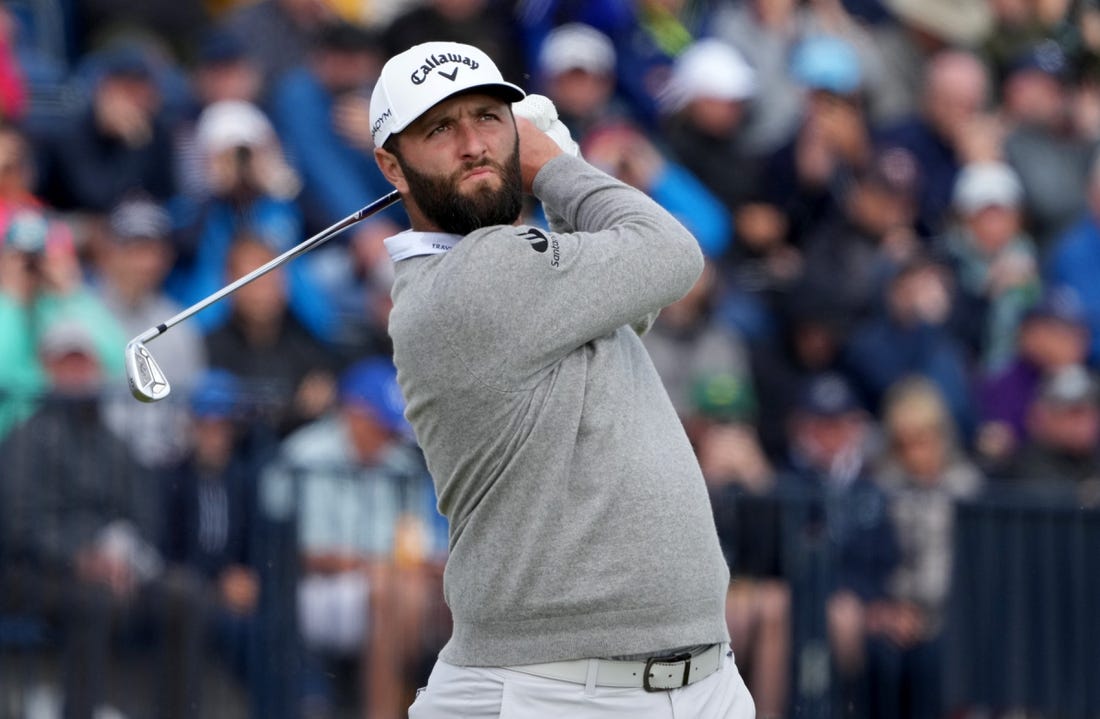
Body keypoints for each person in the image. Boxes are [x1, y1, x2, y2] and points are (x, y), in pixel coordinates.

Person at [368, 40, 752, 717]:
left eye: (489, 118)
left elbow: (632, 308)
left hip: (698, 684)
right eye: (439, 128)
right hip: (554, 691)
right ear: (391, 166)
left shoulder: (518, 277)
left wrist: (561, 191)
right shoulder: (468, 281)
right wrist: (556, 168)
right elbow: (671, 254)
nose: (473, 144)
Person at [0, 318, 208, 719]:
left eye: (84, 363)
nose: (77, 374)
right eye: (67, 364)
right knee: (93, 602)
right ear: (48, 369)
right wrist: (81, 557)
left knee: (185, 593)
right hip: (34, 573)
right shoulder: (23, 439)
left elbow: (144, 510)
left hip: (115, 569)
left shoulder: (113, 441)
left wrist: (128, 558)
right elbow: (17, 523)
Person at [260, 357, 447, 719]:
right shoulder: (306, 454)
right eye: (381, 426)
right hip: (316, 591)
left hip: (391, 587)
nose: (388, 437)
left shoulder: (400, 463)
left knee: (441, 591)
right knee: (389, 586)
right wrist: (378, 565)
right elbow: (307, 552)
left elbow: (419, 546)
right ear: (354, 413)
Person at [870, 376, 984, 719]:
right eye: (903, 443)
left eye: (922, 440)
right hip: (896, 610)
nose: (915, 453)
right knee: (881, 656)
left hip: (956, 614)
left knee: (938, 659)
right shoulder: (881, 489)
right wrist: (888, 610)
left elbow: (979, 568)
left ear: (941, 436)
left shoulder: (969, 489)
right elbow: (868, 558)